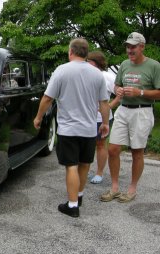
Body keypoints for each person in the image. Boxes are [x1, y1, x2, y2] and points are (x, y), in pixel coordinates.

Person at [34, 38, 110, 218]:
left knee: (71, 167)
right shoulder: (97, 74)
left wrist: (38, 118)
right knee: (84, 164)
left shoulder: (61, 71)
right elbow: (104, 102)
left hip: (68, 130)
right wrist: (105, 123)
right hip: (89, 129)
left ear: (71, 51)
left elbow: (47, 98)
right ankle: (79, 195)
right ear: (85, 53)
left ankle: (72, 205)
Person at [100, 32, 160, 203]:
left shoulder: (154, 66)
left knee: (137, 151)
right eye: (128, 46)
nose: (129, 50)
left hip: (142, 111)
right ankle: (114, 188)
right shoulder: (125, 64)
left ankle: (132, 189)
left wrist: (139, 92)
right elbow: (117, 84)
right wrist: (118, 90)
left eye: (133, 46)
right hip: (123, 109)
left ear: (142, 46)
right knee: (112, 149)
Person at [86, 51, 121, 184]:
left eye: (88, 61)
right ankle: (84, 170)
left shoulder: (107, 76)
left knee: (100, 145)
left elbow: (120, 93)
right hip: (85, 117)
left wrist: (109, 106)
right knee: (87, 145)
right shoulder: (84, 75)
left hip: (101, 119)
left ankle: (99, 173)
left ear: (94, 63)